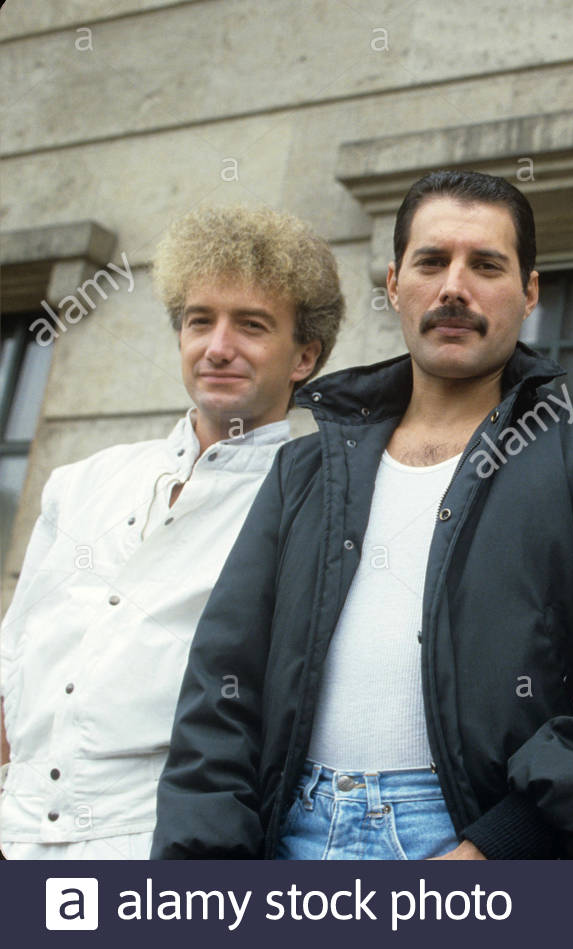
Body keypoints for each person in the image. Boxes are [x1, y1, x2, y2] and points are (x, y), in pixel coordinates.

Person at [152, 170, 573, 860]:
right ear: (393, 284)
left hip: (469, 838)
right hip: (293, 835)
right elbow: (220, 690)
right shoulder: (306, 471)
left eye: (486, 265)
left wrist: (506, 840)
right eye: (431, 261)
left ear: (530, 292)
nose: (454, 286)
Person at [0, 205, 342, 858]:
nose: (218, 346)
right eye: (199, 320)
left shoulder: (314, 502)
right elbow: (13, 661)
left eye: (251, 324)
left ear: (304, 356)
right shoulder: (81, 483)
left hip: (156, 856)